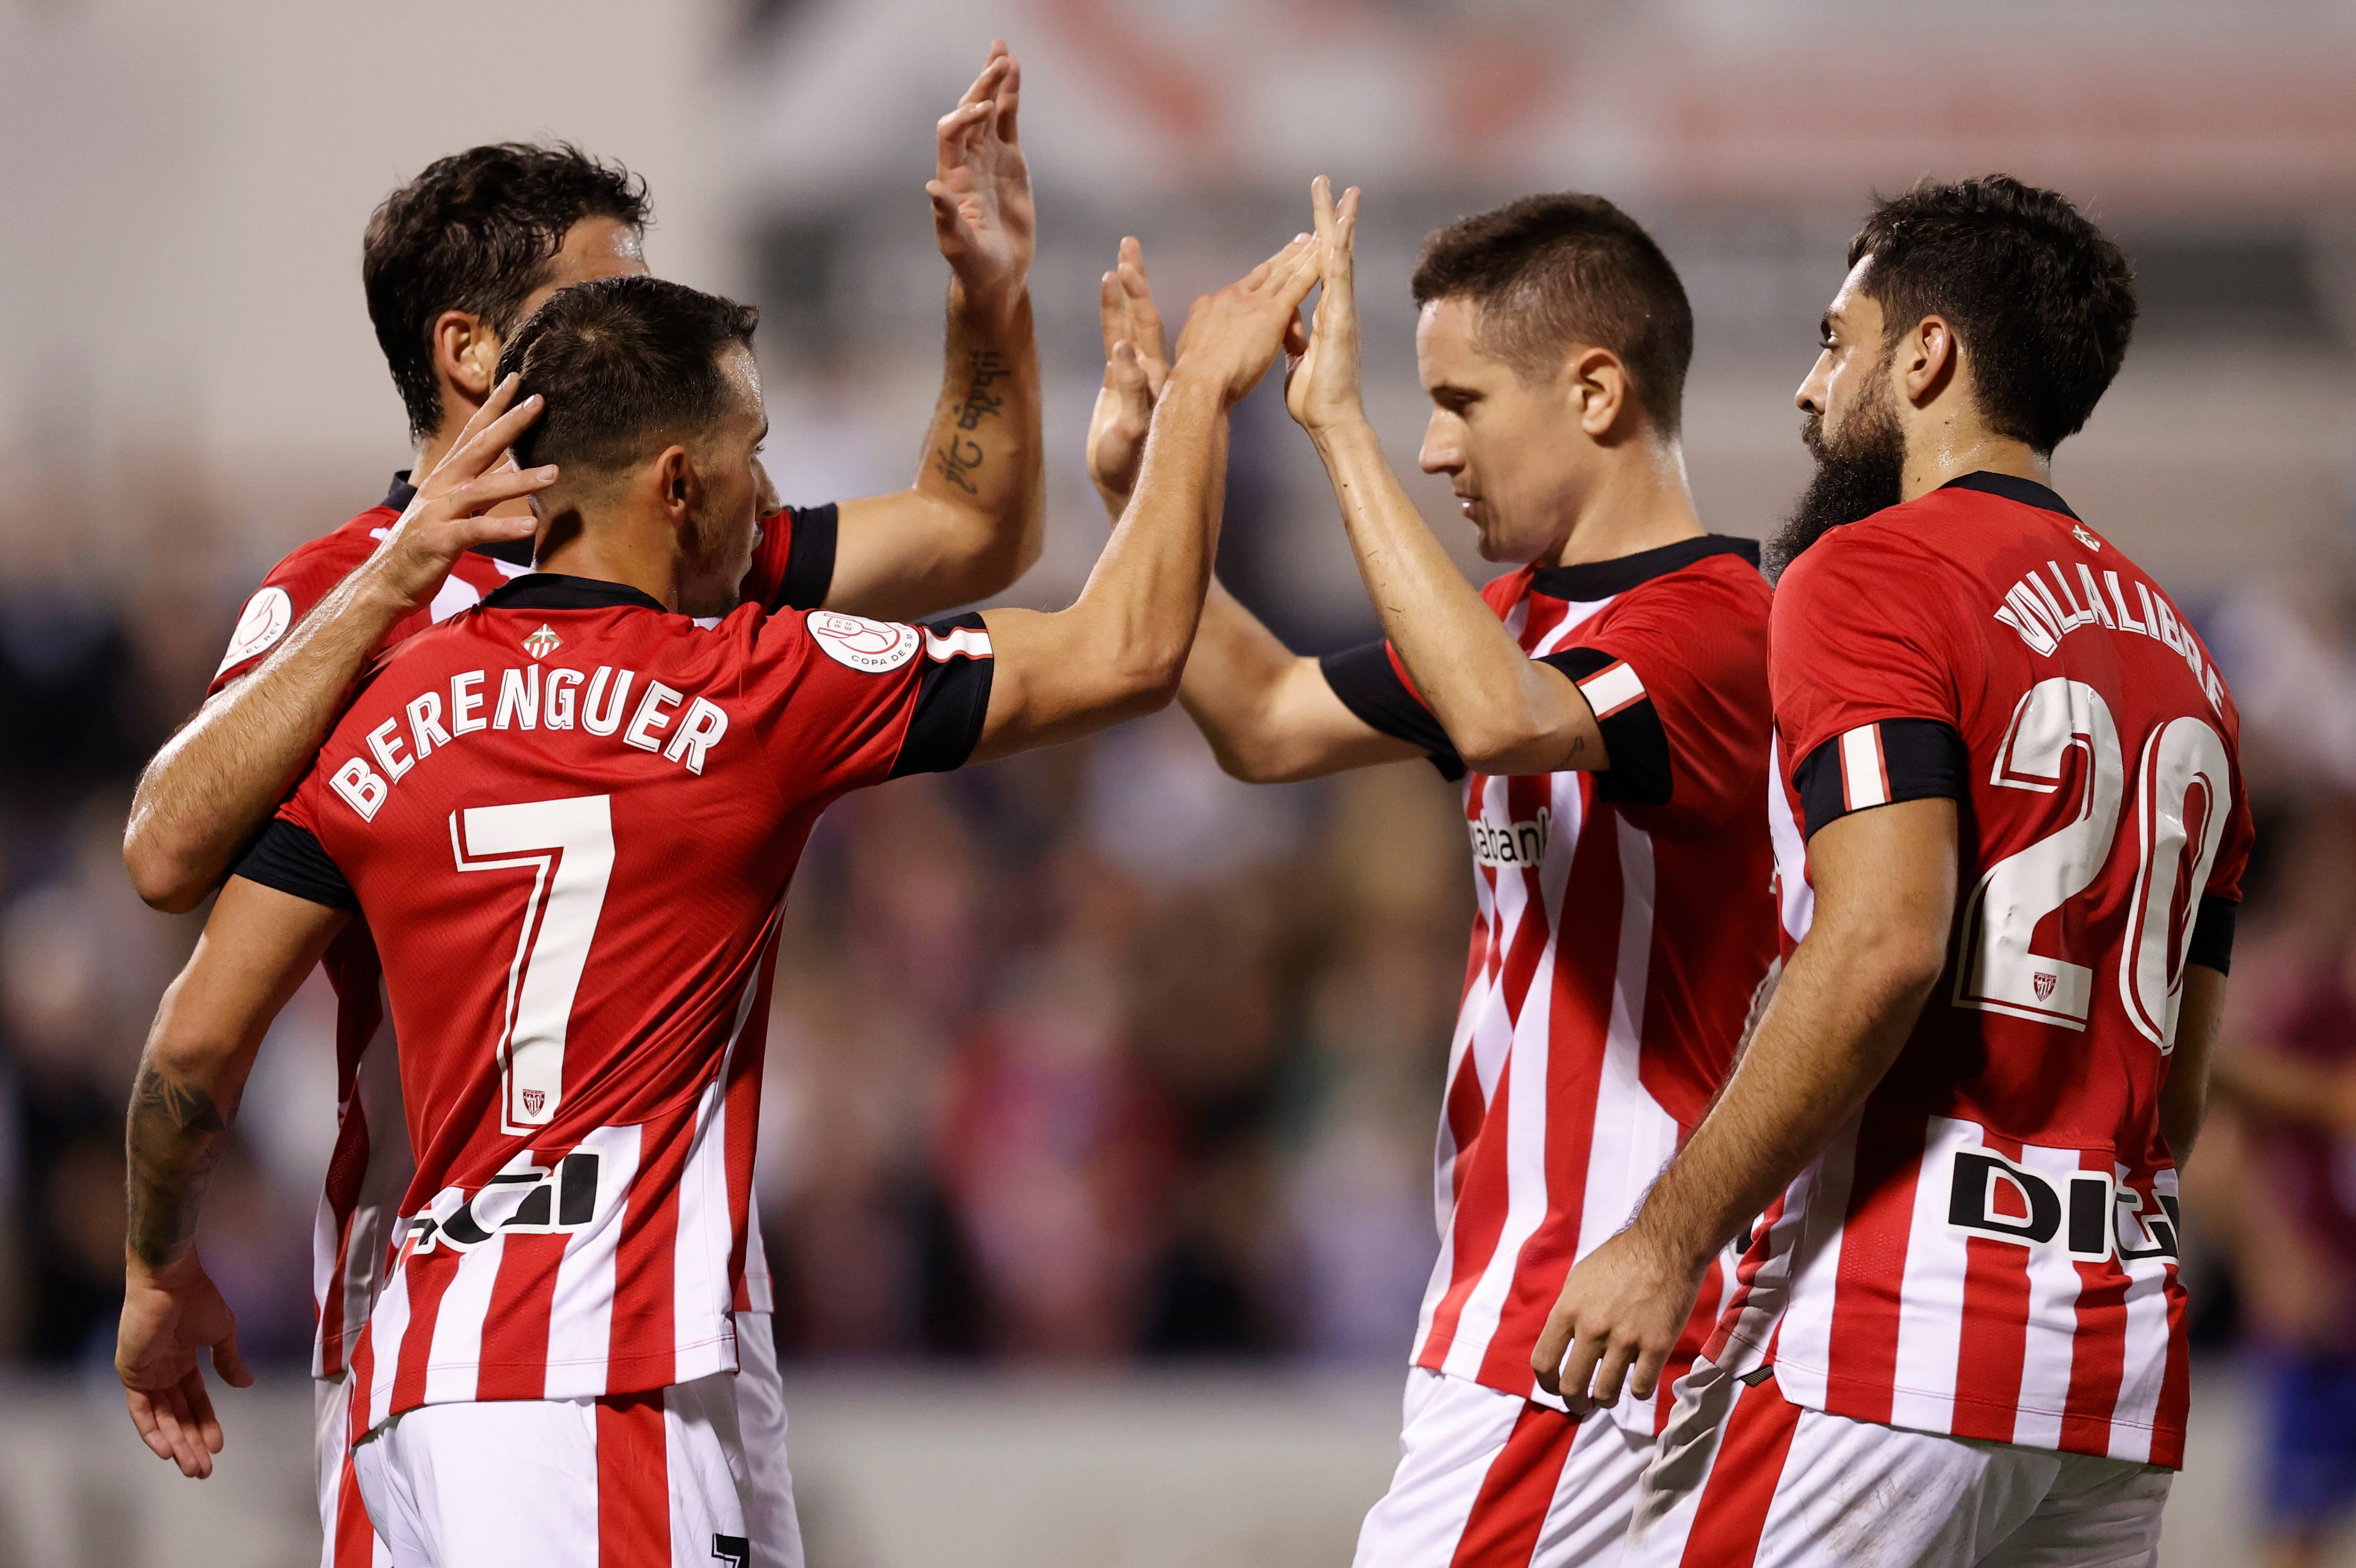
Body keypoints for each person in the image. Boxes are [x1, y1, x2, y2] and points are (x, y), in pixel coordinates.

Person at [114, 243, 1319, 1565]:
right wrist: (1199, 394)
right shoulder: (752, 689)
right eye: (752, 449)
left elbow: (191, 1045)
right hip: (596, 1375)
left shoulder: (380, 705)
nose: (769, 492)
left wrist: (158, 1266)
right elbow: (1127, 649)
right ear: (677, 483)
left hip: (418, 1386)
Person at [115, 45, 1042, 1568]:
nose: (642, 329)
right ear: (473, 353)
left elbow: (972, 527)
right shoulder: (331, 598)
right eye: (597, 300)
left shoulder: (668, 546)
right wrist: (402, 574)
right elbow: (164, 848)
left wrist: (985, 294)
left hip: (668, 1289)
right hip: (446, 1285)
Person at [1536, 175, 2254, 1567]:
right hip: (2115, 1357)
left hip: (1903, 1328)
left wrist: (1668, 1236)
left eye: (1836, 339)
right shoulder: (2190, 660)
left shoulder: (1873, 575)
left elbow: (1882, 945)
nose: (1813, 391)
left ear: (1925, 357)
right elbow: (2182, 1082)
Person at [1087, 178, 1776, 1565]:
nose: (1436, 449)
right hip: (1533, 1306)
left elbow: (1505, 720)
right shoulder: (1521, 619)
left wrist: (1333, 426)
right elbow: (1270, 719)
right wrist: (1141, 483)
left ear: (1595, 391)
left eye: (1460, 403)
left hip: (1589, 1314)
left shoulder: (1714, 624)